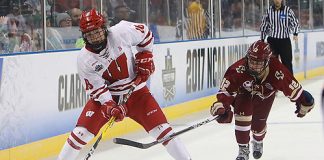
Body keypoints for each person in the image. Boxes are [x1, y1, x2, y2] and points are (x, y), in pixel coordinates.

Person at [57, 9, 191, 160]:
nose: (94, 37)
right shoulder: (84, 59)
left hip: (138, 94)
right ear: (83, 35)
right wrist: (109, 106)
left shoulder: (121, 31)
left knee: (164, 132)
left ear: (104, 28)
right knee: (80, 134)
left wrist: (145, 55)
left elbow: (145, 34)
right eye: (89, 34)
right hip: (109, 97)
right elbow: (97, 88)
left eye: (97, 32)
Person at [210, 40, 314, 160]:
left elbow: (294, 90)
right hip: (244, 94)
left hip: (265, 98)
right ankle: (243, 149)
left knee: (257, 128)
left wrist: (304, 101)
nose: (254, 65)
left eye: (258, 63)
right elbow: (225, 92)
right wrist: (222, 106)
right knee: (242, 115)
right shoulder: (237, 69)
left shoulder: (277, 71)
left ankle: (258, 140)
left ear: (267, 61)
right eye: (252, 61)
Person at [260, 0, 299, 74]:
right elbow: (264, 26)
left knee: (287, 63)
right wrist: (262, 39)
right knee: (271, 63)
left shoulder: (287, 10)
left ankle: (289, 83)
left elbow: (295, 22)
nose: (277, 1)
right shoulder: (268, 11)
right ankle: (273, 82)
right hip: (272, 41)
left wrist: (295, 33)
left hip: (284, 41)